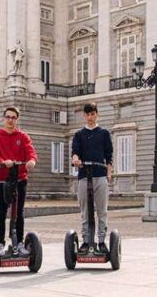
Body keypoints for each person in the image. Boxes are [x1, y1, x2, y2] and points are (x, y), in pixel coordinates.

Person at [0, 106, 38, 256]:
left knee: (19, 212)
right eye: (8, 117)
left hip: (20, 178)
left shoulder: (23, 137)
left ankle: (20, 243)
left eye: (13, 118)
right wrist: (2, 162)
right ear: (4, 119)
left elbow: (30, 151)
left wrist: (32, 161)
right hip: (2, 179)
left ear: (17, 120)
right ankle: (0, 243)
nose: (10, 120)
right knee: (1, 211)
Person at [71, 102, 113, 253]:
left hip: (100, 175)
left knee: (102, 210)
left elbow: (109, 155)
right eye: (87, 114)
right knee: (85, 211)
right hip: (84, 176)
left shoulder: (104, 133)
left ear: (97, 114)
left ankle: (101, 241)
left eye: (92, 114)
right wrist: (76, 159)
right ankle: (86, 240)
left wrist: (109, 173)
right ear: (84, 116)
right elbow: (75, 152)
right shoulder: (79, 134)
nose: (90, 117)